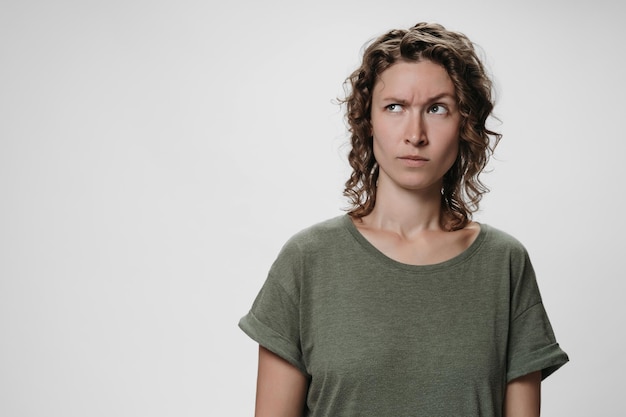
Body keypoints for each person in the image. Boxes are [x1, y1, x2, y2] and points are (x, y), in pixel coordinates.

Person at [239, 22, 568, 417]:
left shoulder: (504, 263)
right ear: (367, 120)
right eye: (394, 107)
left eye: (437, 108)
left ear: (465, 125)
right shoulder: (308, 259)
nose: (415, 133)